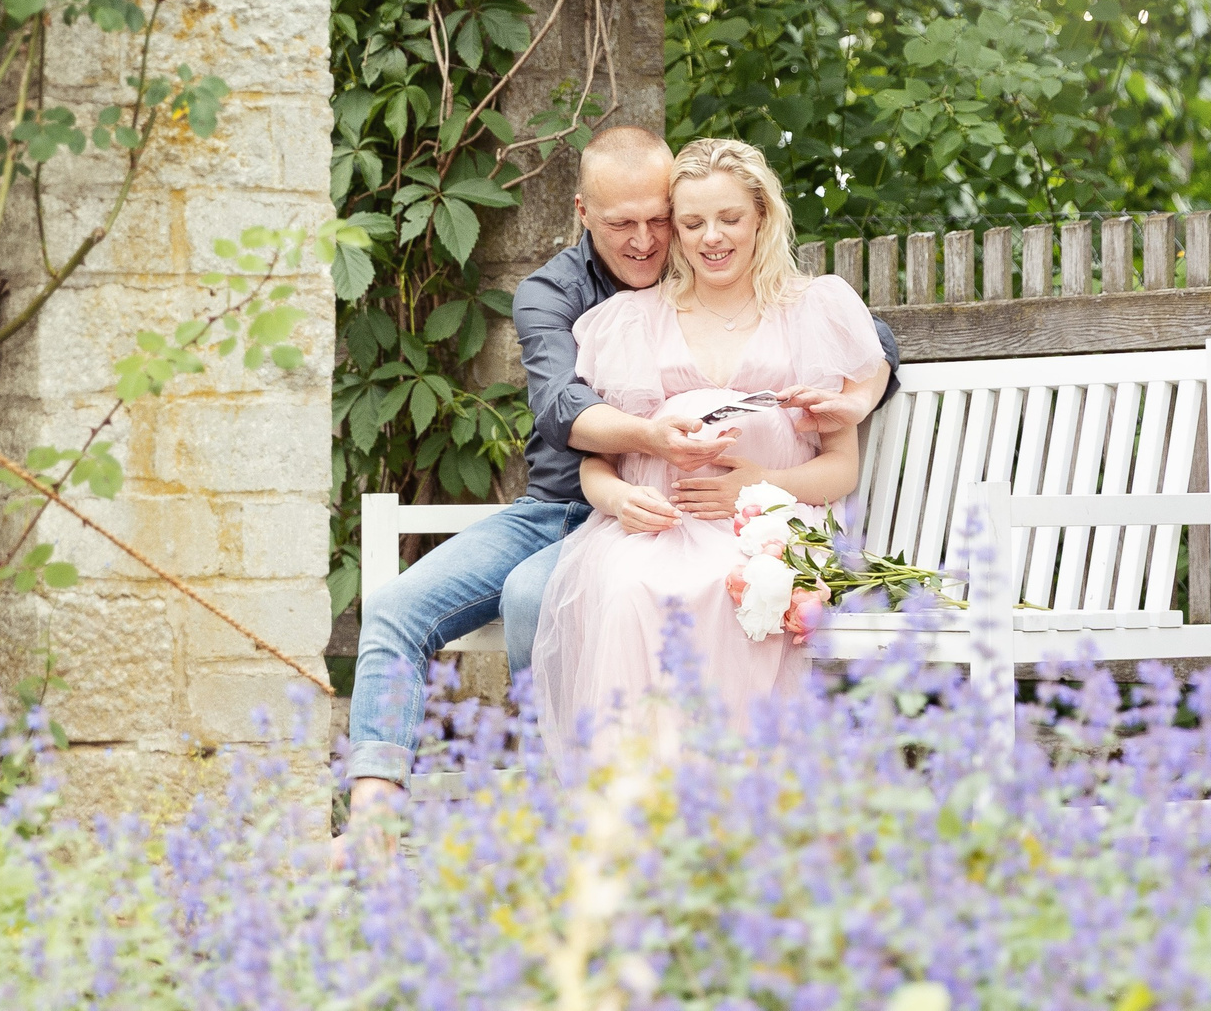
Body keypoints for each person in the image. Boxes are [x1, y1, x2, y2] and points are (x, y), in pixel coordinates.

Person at [340, 126, 898, 845]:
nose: (647, 240)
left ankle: (569, 809)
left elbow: (861, 344)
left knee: (540, 595)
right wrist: (648, 443)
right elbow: (557, 408)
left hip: (685, 518)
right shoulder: (561, 298)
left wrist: (853, 398)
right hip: (565, 505)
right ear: (583, 214)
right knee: (396, 606)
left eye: (659, 220)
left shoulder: (779, 293)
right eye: (624, 224)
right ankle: (375, 821)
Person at [529, 137, 889, 763]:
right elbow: (597, 463)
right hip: (656, 528)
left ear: (762, 218)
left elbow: (841, 468)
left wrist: (760, 485)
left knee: (721, 587)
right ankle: (640, 805)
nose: (711, 238)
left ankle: (730, 800)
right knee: (626, 588)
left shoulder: (811, 309)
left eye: (730, 219)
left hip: (765, 526)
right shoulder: (632, 319)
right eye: (692, 223)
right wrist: (621, 501)